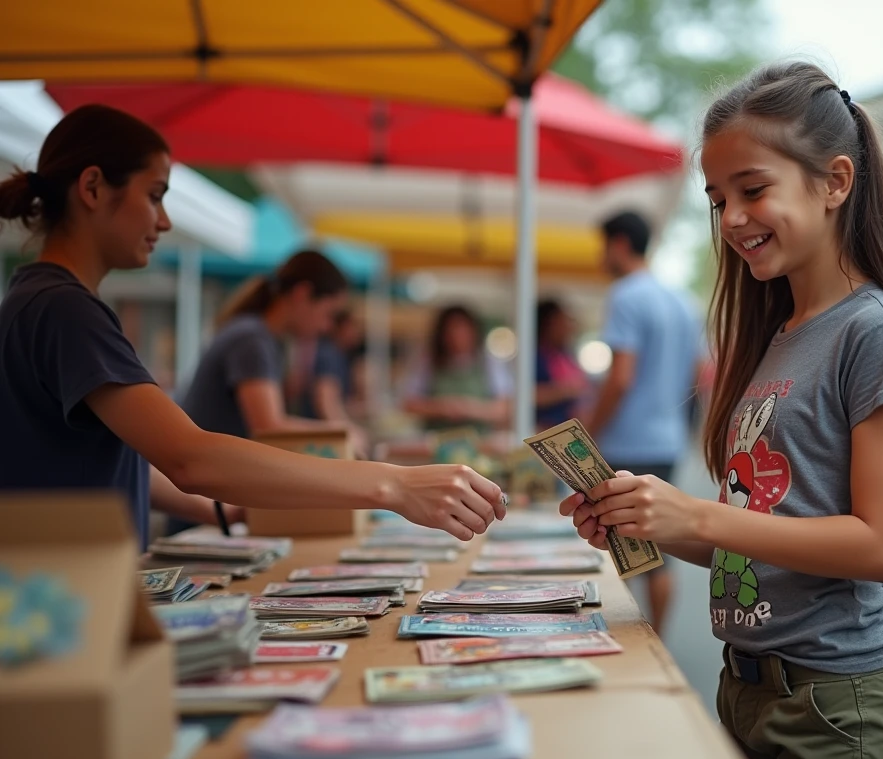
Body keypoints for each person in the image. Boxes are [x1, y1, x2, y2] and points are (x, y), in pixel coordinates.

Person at [562, 64, 883, 759]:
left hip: (841, 707)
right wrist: (651, 519)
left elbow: (880, 545)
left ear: (835, 182)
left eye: (752, 189)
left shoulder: (874, 331)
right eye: (717, 199)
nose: (732, 217)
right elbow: (764, 531)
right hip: (749, 691)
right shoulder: (778, 333)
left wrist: (697, 510)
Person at [0, 104, 505, 550]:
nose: (165, 220)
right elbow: (190, 457)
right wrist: (393, 485)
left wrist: (230, 509)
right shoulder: (65, 310)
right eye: (154, 195)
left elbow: (123, 458)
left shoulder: (44, 302)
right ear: (91, 188)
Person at [587, 210, 702, 637]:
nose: (603, 257)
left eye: (604, 247)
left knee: (619, 544)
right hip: (667, 438)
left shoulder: (625, 296)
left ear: (619, 244)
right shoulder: (683, 302)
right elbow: (697, 372)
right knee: (658, 547)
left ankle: (625, 638)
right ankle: (658, 639)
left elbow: (621, 376)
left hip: (626, 439)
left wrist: (590, 430)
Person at [181, 251, 366, 456]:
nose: (328, 327)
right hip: (199, 477)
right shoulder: (252, 339)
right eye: (329, 314)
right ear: (302, 293)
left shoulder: (260, 335)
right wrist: (341, 433)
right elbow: (269, 427)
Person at [403, 305, 511, 435]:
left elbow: (503, 408)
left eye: (462, 330)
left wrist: (468, 409)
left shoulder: (488, 362)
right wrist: (441, 408)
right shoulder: (428, 361)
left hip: (480, 439)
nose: (456, 336)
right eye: (451, 330)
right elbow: (409, 404)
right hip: (437, 438)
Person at [534, 298, 587, 430]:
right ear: (547, 325)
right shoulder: (535, 357)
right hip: (544, 428)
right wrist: (565, 390)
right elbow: (525, 395)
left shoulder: (564, 355)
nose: (568, 328)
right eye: (562, 323)